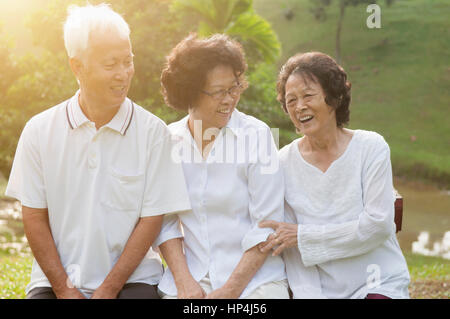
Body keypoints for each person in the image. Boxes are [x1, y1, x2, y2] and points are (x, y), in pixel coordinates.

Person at [5, 4, 191, 299]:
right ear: (77, 66)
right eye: (111, 64)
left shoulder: (154, 133)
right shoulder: (39, 131)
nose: (123, 74)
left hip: (134, 280)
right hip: (57, 283)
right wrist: (65, 290)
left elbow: (151, 219)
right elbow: (34, 217)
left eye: (127, 61)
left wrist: (109, 289)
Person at [259, 52, 410, 299]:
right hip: (322, 292)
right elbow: (290, 248)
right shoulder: (281, 163)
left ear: (334, 97)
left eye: (308, 95)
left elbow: (379, 225)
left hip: (378, 283)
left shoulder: (371, 147)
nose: (299, 107)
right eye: (291, 100)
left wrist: (304, 235)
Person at [154, 34, 289, 299]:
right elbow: (165, 221)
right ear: (189, 92)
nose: (229, 99)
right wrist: (183, 282)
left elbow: (267, 225)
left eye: (235, 88)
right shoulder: (169, 142)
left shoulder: (257, 136)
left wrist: (229, 290)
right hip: (189, 281)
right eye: (218, 92)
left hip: (256, 283)